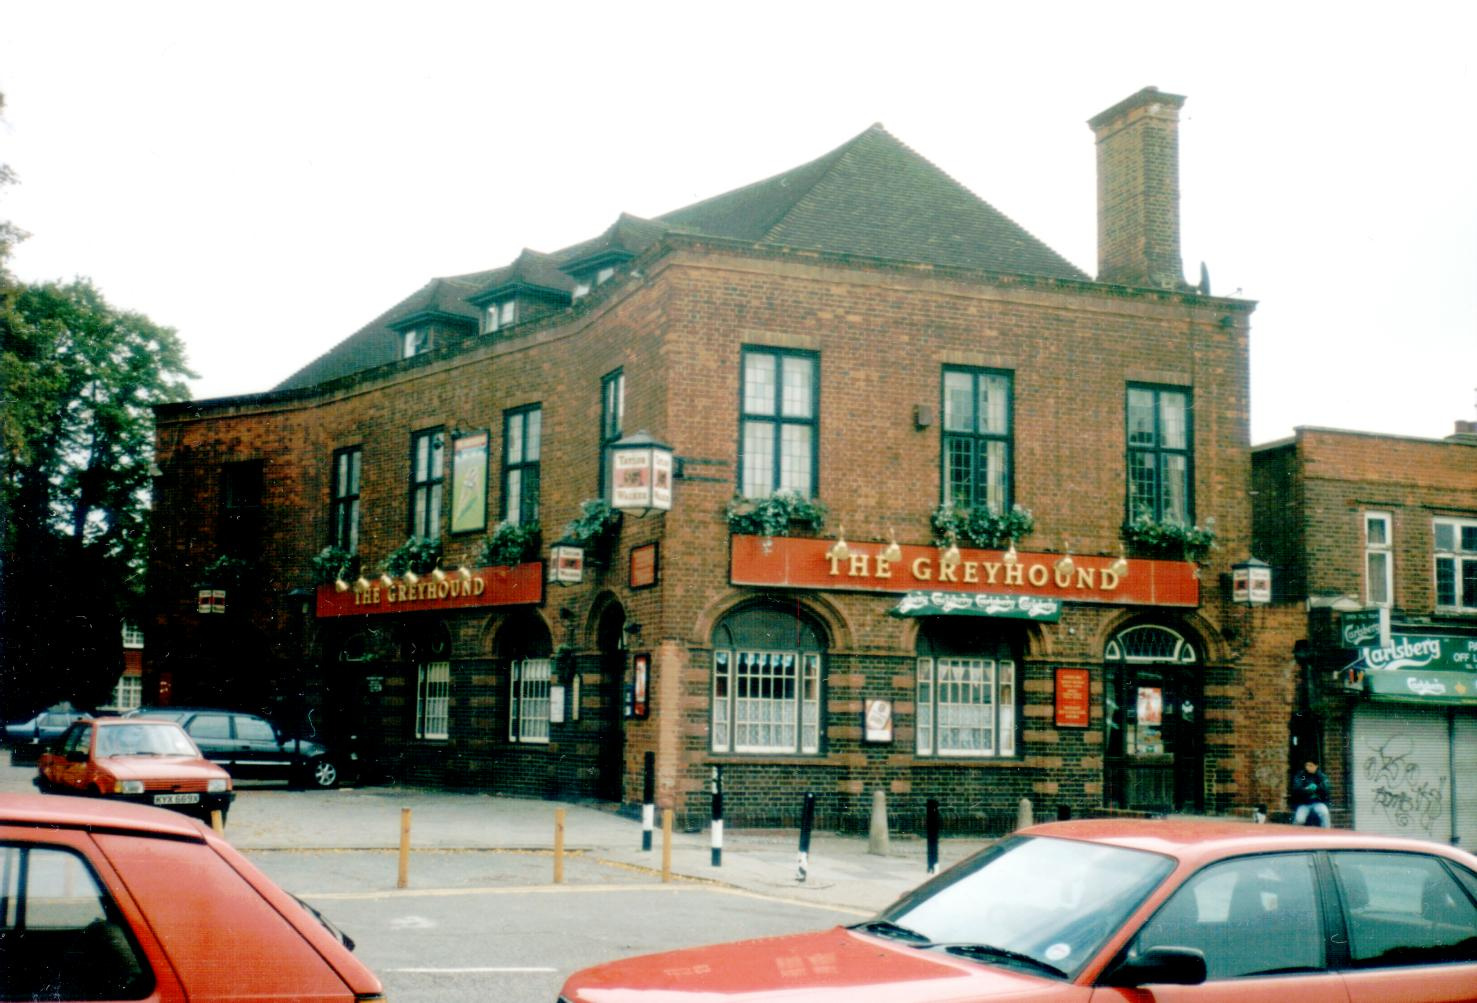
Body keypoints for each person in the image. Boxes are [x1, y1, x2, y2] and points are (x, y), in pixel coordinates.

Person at [1290, 760, 1332, 827]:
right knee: (1299, 819)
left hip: (1318, 802)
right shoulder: (1303, 776)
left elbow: (1325, 788)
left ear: (1316, 766)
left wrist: (1315, 788)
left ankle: (1327, 835)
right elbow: (1298, 788)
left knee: (1324, 814)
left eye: (1311, 765)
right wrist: (1309, 789)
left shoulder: (1320, 776)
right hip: (1304, 803)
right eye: (1307, 765)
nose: (1308, 767)